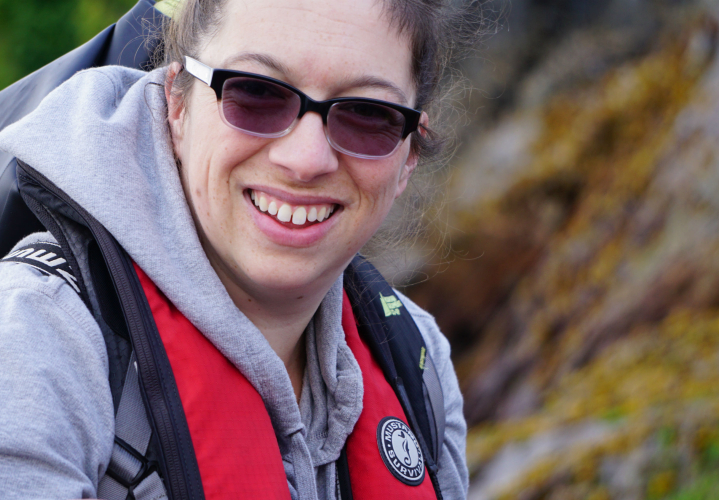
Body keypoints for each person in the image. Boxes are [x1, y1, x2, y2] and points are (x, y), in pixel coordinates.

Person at [0, 0, 470, 498]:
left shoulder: (418, 363)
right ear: (176, 105)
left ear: (409, 157)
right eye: (256, 94)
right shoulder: (36, 337)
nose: (305, 159)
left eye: (367, 115)